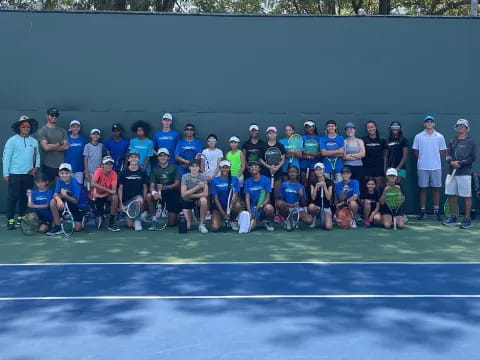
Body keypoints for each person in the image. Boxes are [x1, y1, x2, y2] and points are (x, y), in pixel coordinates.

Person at [3, 116, 40, 229]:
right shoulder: (12, 141)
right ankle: (10, 220)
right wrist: (5, 174)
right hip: (14, 173)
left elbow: (37, 156)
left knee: (25, 197)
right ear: (19, 127)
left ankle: (21, 218)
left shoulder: (33, 141)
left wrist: (36, 167)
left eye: (28, 126)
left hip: (28, 174)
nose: (26, 128)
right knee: (13, 197)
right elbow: (6, 158)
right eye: (23, 126)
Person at [443, 119, 477, 229]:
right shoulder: (452, 141)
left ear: (467, 128)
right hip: (451, 173)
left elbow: (473, 157)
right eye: (458, 126)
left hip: (464, 173)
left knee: (467, 196)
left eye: (462, 126)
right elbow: (447, 154)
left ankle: (467, 219)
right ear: (456, 128)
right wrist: (451, 162)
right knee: (451, 195)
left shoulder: (471, 142)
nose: (460, 127)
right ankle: (453, 218)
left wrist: (461, 163)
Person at [412, 115, 447, 221]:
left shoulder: (440, 136)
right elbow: (416, 152)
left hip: (436, 168)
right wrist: (423, 161)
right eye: (427, 122)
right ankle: (423, 211)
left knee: (436, 189)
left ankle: (436, 212)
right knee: (423, 189)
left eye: (431, 122)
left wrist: (434, 160)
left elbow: (442, 152)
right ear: (424, 124)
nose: (429, 123)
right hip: (422, 168)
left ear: (434, 124)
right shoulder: (418, 136)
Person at [47, 163, 88, 235]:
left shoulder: (74, 183)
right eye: (62, 173)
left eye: (66, 173)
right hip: (67, 202)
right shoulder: (59, 180)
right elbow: (55, 194)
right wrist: (59, 200)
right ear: (59, 173)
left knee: (77, 228)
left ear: (71, 173)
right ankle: (58, 226)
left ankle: (84, 217)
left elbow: (75, 201)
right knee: (53, 201)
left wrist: (65, 195)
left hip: (79, 206)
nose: (64, 175)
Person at [145, 148, 181, 229]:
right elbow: (151, 186)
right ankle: (154, 218)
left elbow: (177, 183)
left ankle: (178, 214)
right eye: (160, 156)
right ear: (157, 157)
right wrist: (155, 193)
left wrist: (165, 187)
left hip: (172, 193)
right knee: (148, 196)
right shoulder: (154, 169)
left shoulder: (174, 167)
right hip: (159, 193)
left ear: (168, 157)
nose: (162, 157)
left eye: (164, 156)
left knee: (172, 223)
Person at [36, 107, 69, 182]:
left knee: (60, 189)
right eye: (52, 115)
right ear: (47, 116)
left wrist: (50, 146)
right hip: (47, 165)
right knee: (45, 188)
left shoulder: (62, 131)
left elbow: (66, 146)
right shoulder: (42, 131)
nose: (54, 117)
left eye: (56, 115)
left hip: (61, 166)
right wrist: (59, 144)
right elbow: (45, 148)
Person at [118, 151, 148, 231]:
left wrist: (144, 201)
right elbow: (120, 188)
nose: (133, 159)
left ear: (138, 159)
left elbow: (145, 187)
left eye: (135, 157)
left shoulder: (142, 172)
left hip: (137, 198)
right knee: (130, 225)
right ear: (128, 159)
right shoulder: (122, 173)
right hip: (126, 201)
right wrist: (121, 204)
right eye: (131, 157)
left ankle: (138, 220)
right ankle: (136, 217)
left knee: (139, 199)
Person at [209, 160, 242, 232]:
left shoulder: (234, 179)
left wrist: (230, 207)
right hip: (218, 208)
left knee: (238, 205)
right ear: (220, 168)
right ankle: (221, 218)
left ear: (229, 168)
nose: (225, 169)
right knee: (214, 228)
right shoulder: (214, 181)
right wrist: (223, 213)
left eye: (227, 168)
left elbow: (236, 195)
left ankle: (232, 220)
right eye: (223, 168)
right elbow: (215, 199)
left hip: (230, 207)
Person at [90, 156, 120, 232]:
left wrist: (102, 195)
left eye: (110, 164)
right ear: (102, 165)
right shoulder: (98, 171)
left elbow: (113, 191)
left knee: (115, 197)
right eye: (106, 164)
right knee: (99, 221)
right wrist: (107, 191)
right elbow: (92, 183)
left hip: (105, 196)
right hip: (94, 197)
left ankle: (111, 222)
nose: (109, 166)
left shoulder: (114, 173)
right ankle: (101, 215)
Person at [244, 161, 275, 231]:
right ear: (249, 170)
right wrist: (249, 212)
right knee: (250, 228)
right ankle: (254, 219)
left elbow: (268, 197)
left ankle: (267, 221)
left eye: (255, 166)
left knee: (269, 208)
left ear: (259, 169)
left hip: (262, 206)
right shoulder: (247, 182)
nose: (253, 168)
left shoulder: (266, 180)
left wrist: (260, 205)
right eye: (251, 167)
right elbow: (247, 198)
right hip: (252, 208)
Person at [180, 159, 209, 233]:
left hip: (197, 200)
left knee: (204, 200)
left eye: (196, 166)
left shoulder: (202, 176)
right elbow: (183, 194)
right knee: (188, 227)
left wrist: (190, 195)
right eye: (192, 166)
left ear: (199, 168)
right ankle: (191, 215)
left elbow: (206, 194)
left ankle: (201, 224)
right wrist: (198, 187)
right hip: (187, 201)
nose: (194, 168)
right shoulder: (185, 177)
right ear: (189, 168)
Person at [259, 126, 286, 195]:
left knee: (277, 194)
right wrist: (269, 167)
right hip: (266, 173)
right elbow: (260, 159)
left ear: (276, 134)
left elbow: (283, 159)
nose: (271, 134)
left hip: (278, 173)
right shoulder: (263, 146)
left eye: (273, 133)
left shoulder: (280, 146)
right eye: (270, 133)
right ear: (267, 135)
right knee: (266, 194)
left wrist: (277, 168)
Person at [308, 162, 334, 230]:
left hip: (326, 208)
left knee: (328, 227)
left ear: (323, 170)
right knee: (311, 207)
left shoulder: (329, 181)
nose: (318, 171)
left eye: (320, 169)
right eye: (317, 170)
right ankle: (314, 219)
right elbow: (313, 197)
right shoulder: (313, 181)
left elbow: (328, 198)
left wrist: (325, 186)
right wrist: (316, 186)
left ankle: (327, 218)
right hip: (317, 207)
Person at [363, 120, 386, 191]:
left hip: (379, 168)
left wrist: (384, 168)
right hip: (367, 168)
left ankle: (378, 202)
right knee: (368, 189)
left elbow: (385, 156)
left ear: (375, 127)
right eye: (368, 127)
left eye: (372, 127)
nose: (371, 129)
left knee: (378, 188)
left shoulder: (382, 140)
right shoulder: (363, 140)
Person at [65, 120, 87, 185]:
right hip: (68, 168)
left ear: (79, 128)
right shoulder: (66, 139)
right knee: (69, 187)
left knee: (78, 186)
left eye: (77, 127)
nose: (75, 128)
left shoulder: (83, 140)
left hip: (80, 168)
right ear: (70, 128)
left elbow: (85, 155)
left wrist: (85, 169)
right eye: (73, 126)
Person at [301, 120, 322, 187]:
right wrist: (310, 155)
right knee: (304, 184)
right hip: (303, 165)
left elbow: (321, 153)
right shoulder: (302, 138)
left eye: (310, 127)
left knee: (312, 184)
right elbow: (300, 152)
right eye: (307, 127)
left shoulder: (319, 138)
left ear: (314, 127)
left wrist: (314, 155)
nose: (309, 129)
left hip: (314, 165)